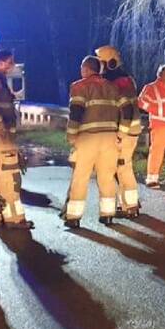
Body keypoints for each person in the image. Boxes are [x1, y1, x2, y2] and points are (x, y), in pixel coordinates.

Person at [64, 56, 127, 228]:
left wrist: (71, 135)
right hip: (110, 138)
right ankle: (107, 214)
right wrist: (121, 133)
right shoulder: (113, 87)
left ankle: (74, 217)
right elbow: (126, 110)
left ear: (85, 68)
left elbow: (76, 112)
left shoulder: (79, 86)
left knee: (81, 177)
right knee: (106, 177)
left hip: (88, 137)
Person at [0, 49, 33, 229]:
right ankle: (14, 219)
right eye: (10, 62)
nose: (12, 65)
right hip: (1, 138)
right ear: (0, 63)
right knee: (10, 177)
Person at [95, 45, 141, 217]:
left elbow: (118, 109)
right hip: (131, 130)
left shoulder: (112, 83)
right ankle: (129, 203)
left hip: (122, 131)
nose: (99, 67)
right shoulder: (126, 79)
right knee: (122, 166)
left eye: (100, 63)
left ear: (109, 63)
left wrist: (118, 133)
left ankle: (130, 205)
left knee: (122, 167)